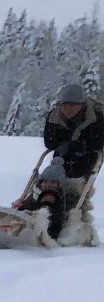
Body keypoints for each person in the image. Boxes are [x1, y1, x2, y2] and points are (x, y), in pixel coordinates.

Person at [32, 81, 101, 241]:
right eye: (64, 105)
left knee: (76, 192)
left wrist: (79, 145)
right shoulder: (54, 117)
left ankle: (70, 223)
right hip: (61, 158)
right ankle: (34, 207)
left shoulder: (97, 117)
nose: (67, 110)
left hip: (87, 157)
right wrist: (64, 147)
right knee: (47, 184)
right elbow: (49, 142)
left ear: (82, 105)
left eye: (72, 106)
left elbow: (98, 142)